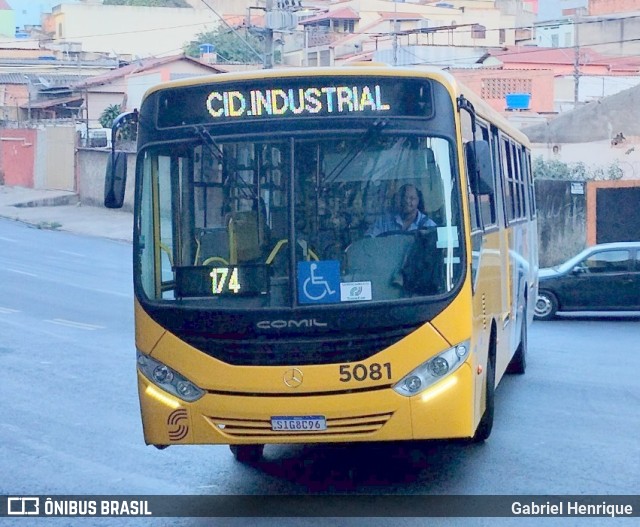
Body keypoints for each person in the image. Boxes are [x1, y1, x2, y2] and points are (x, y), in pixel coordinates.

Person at [366, 183, 436, 237]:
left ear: (418, 200)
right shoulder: (382, 223)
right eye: (403, 197)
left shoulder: (429, 225)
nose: (407, 201)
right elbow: (368, 241)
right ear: (397, 199)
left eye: (412, 198)